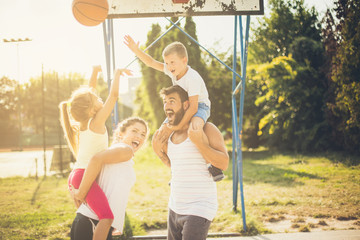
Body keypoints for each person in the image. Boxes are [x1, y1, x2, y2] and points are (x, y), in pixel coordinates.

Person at [124, 35, 224, 181]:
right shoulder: (172, 71)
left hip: (199, 107)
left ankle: (213, 166)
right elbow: (150, 62)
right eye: (166, 63)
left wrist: (177, 126)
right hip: (181, 107)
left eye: (172, 62)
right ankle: (175, 170)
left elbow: (193, 107)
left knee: (194, 129)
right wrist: (136, 50)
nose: (169, 66)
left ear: (184, 61)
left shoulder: (192, 78)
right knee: (159, 137)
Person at [59, 65, 132, 240]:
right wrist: (117, 74)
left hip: (76, 175)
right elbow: (113, 97)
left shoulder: (84, 123)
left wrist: (94, 72)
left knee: (96, 215)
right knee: (106, 217)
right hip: (84, 175)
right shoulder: (96, 122)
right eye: (97, 99)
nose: (101, 99)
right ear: (92, 110)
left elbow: (88, 94)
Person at [152, 85, 229, 240]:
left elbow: (224, 163)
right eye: (165, 102)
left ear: (186, 104)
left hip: (199, 208)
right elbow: (176, 167)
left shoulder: (207, 129)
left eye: (172, 101)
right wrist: (158, 153)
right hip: (174, 207)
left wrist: (200, 143)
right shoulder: (169, 134)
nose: (167, 106)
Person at [70, 117, 149, 240]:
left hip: (91, 222)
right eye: (134, 131)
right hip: (93, 222)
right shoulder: (126, 150)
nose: (139, 136)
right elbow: (95, 159)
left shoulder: (116, 155)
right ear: (120, 134)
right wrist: (80, 193)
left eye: (143, 134)